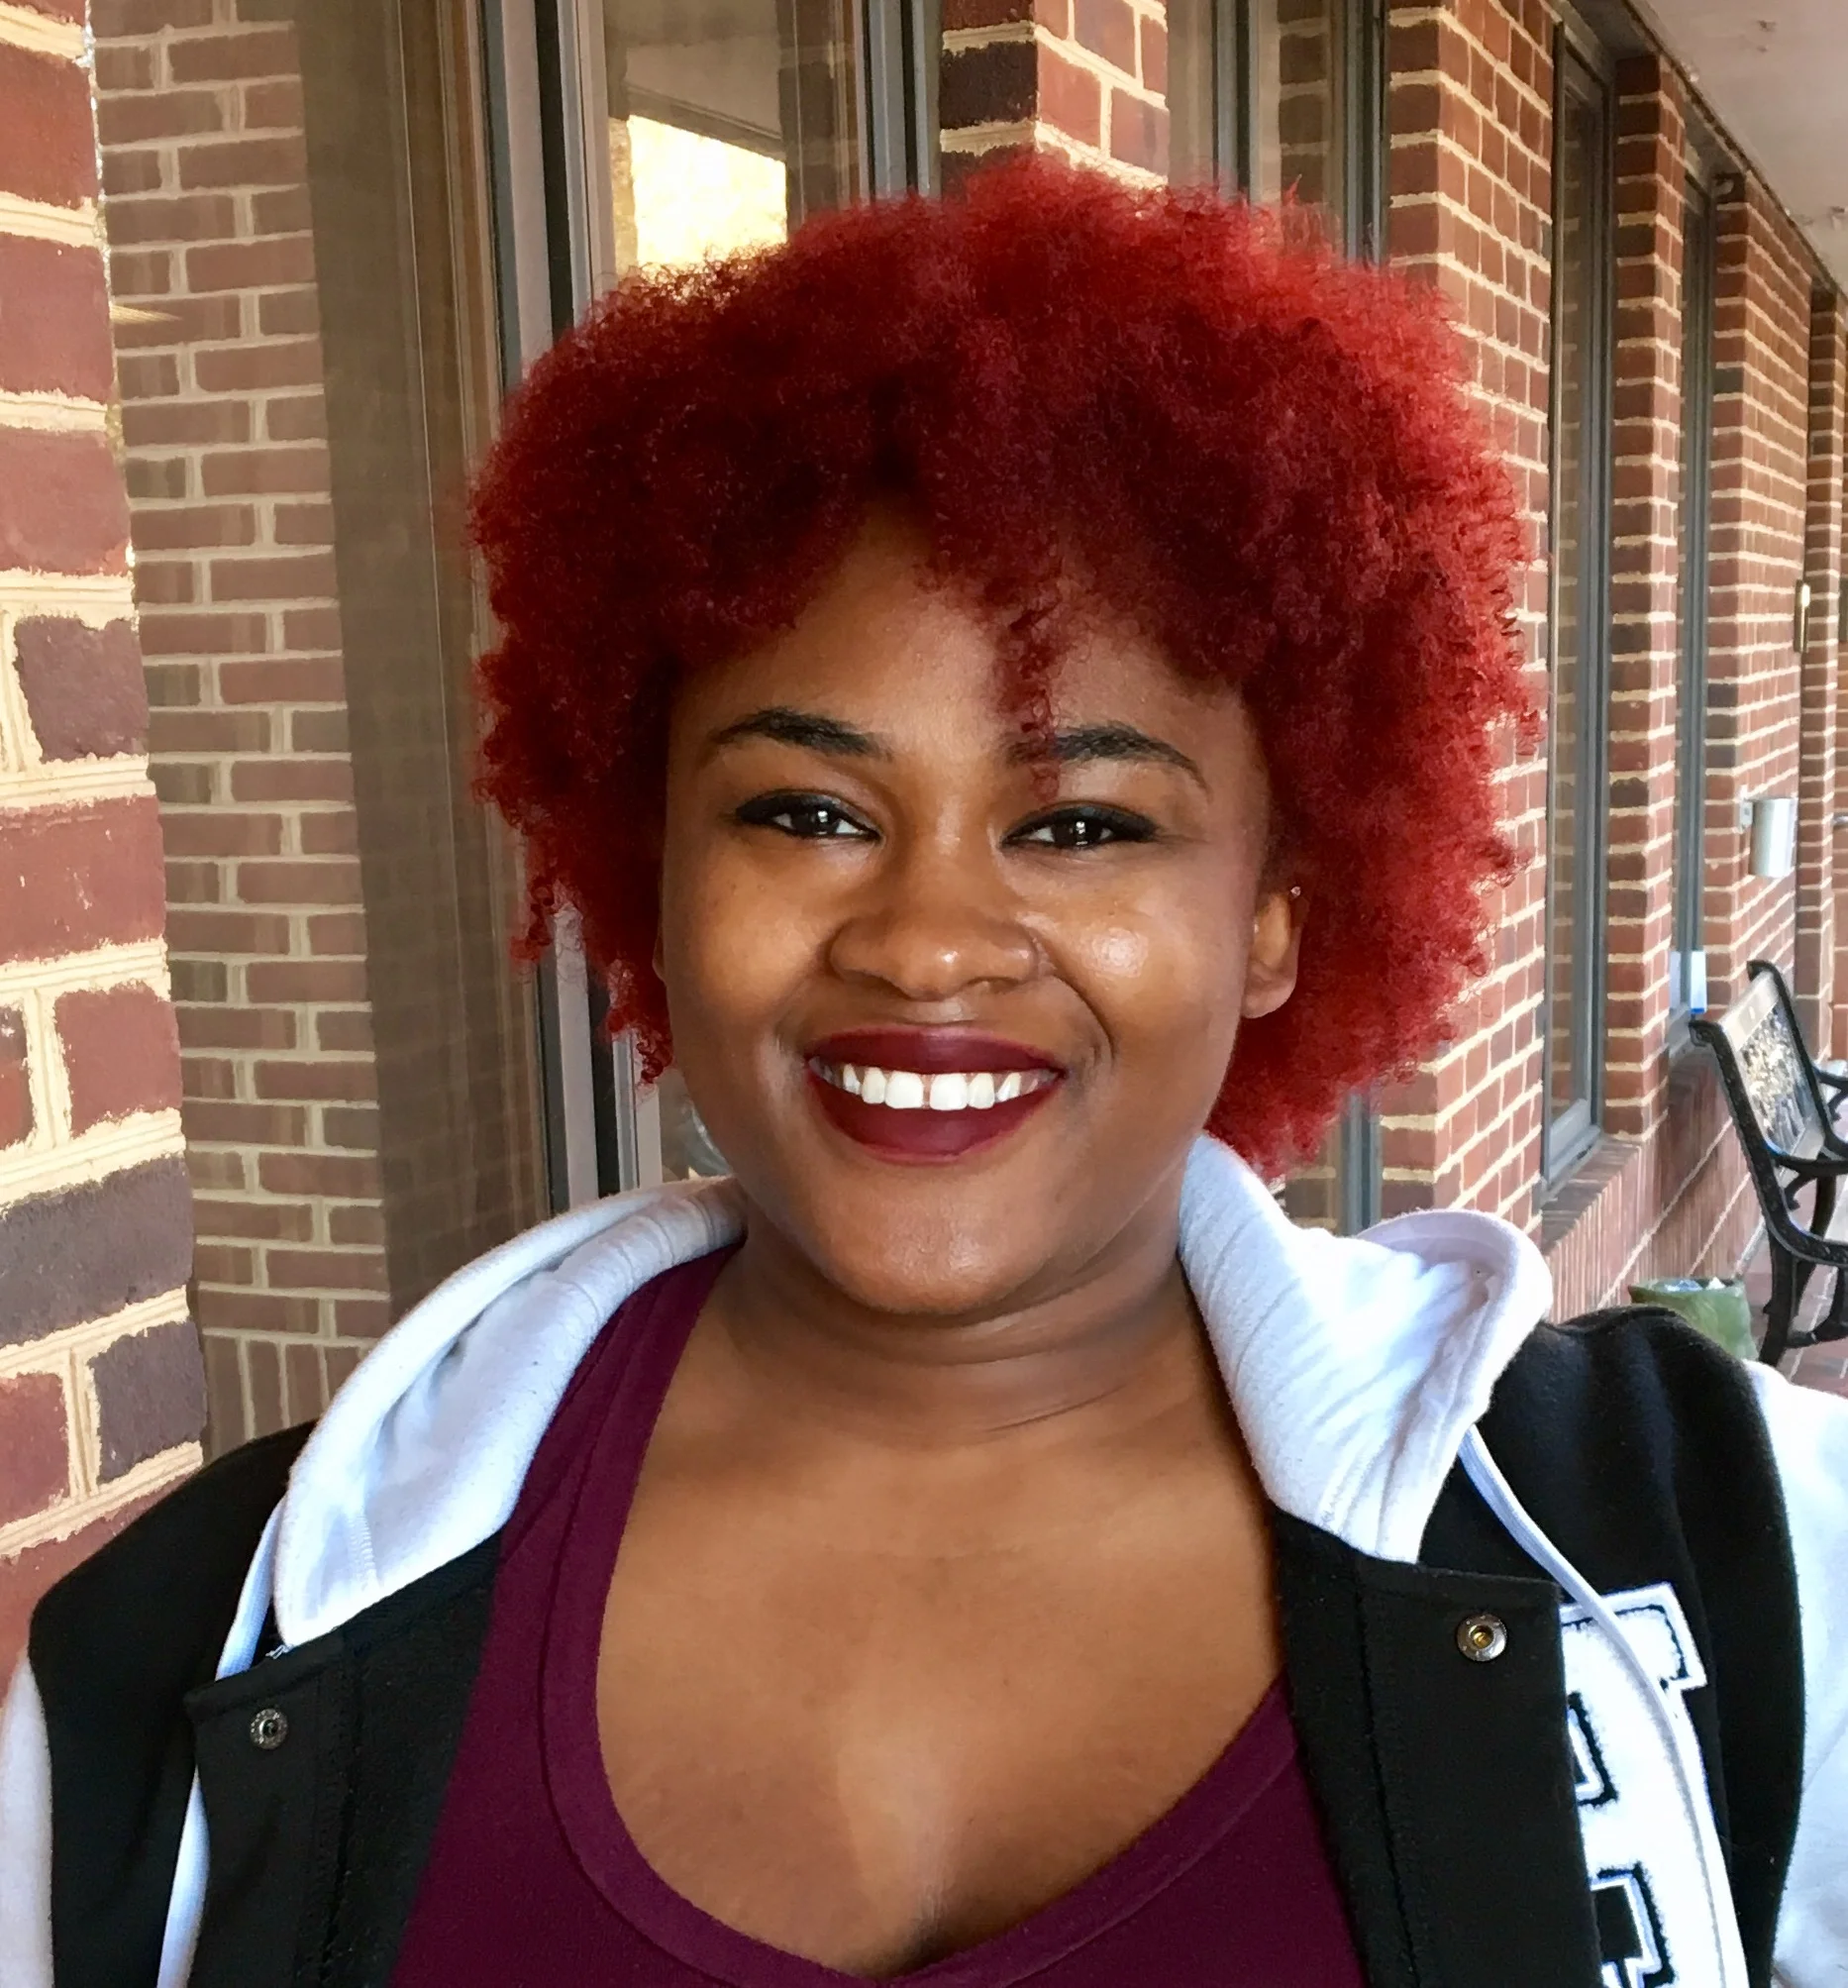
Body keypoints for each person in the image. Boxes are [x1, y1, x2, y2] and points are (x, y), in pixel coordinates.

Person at [3, 157, 1844, 1988]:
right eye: (805, 811)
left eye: (1085, 822)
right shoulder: (194, 1654)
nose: (926, 941)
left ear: (1277, 913)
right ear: (652, 862)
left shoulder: (1710, 1543)